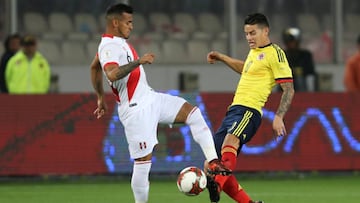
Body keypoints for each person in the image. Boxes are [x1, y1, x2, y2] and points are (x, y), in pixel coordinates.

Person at [90, 3, 231, 203]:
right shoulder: (109, 46)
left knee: (193, 113)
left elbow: (94, 67)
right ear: (115, 23)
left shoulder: (116, 42)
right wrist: (138, 62)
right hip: (135, 110)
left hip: (150, 98)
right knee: (143, 162)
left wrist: (100, 97)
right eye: (128, 22)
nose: (131, 26)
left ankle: (213, 162)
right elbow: (111, 73)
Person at [205, 13, 295, 203]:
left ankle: (217, 185)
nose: (249, 38)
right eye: (246, 34)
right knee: (211, 162)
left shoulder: (275, 53)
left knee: (231, 141)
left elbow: (288, 88)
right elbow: (245, 68)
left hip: (249, 111)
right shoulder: (254, 53)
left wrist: (279, 116)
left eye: (253, 33)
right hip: (234, 110)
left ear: (266, 31)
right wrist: (222, 57)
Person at [282, 27, 317, 91]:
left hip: (302, 88)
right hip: (285, 87)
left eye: (293, 42)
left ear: (298, 42)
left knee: (299, 79)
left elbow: (310, 74)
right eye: (289, 42)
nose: (291, 44)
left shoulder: (305, 55)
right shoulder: (281, 55)